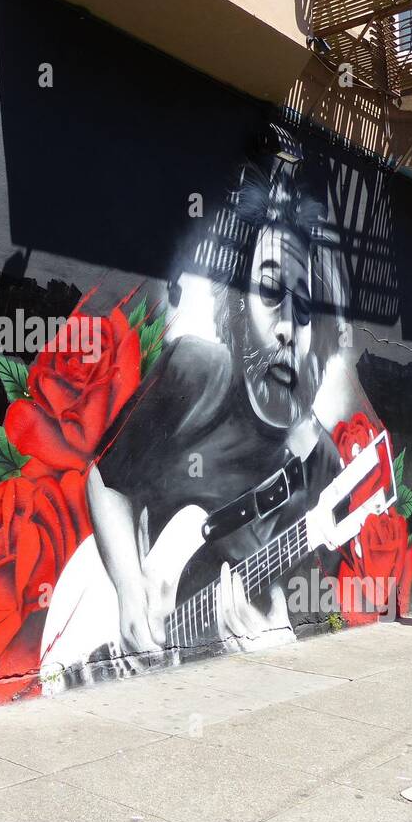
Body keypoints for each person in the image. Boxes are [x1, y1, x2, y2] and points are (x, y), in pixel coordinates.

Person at [86, 126, 350, 655]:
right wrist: (129, 591)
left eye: (305, 312)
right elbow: (106, 476)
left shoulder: (323, 466)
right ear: (235, 302)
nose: (286, 330)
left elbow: (308, 606)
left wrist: (274, 632)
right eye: (271, 293)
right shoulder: (196, 374)